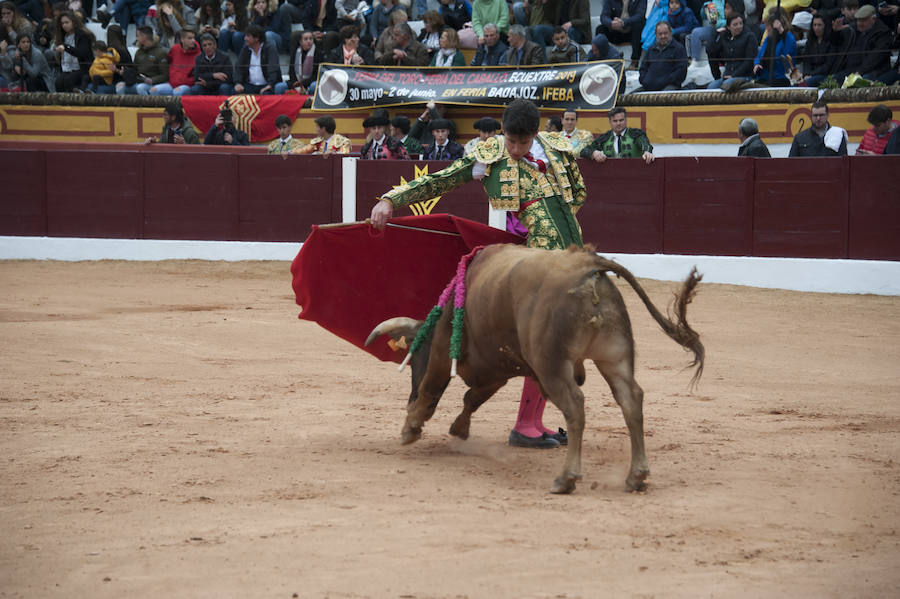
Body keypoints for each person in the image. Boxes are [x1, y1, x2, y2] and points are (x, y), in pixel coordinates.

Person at [370, 98, 588, 449]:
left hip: (573, 254)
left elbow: (578, 193)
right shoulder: (488, 156)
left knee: (563, 336)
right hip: (536, 263)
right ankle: (524, 425)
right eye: (511, 141)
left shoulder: (558, 148)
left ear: (536, 134)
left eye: (523, 143)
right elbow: (438, 181)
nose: (515, 150)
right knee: (548, 337)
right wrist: (390, 199)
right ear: (502, 132)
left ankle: (532, 421)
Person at [832, 4, 893, 83]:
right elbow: (836, 43)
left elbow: (874, 58)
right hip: (853, 69)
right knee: (832, 80)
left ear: (873, 19)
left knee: (861, 81)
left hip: (875, 70)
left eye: (863, 20)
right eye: (858, 20)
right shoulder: (854, 29)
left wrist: (859, 72)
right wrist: (836, 32)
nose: (859, 23)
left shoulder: (883, 33)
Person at [581, 107, 655, 164]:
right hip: (611, 176)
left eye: (621, 120)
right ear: (610, 122)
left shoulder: (636, 134)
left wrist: (647, 152)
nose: (618, 123)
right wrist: (593, 153)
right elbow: (584, 151)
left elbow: (646, 145)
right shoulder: (604, 138)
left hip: (634, 174)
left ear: (626, 120)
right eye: (615, 121)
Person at [706, 12, 756, 88]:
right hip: (727, 76)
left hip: (744, 76)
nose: (739, 26)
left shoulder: (749, 37)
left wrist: (733, 75)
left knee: (727, 84)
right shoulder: (725, 38)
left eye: (741, 23)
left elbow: (749, 61)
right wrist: (715, 33)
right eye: (735, 25)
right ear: (728, 27)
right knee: (711, 86)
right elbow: (711, 51)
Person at [234, 24, 287, 94]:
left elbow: (273, 68)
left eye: (248, 36)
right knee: (233, 92)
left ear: (256, 38)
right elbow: (239, 67)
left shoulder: (270, 48)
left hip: (267, 85)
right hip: (249, 85)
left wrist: (270, 84)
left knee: (267, 95)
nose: (245, 38)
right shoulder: (245, 49)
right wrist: (238, 83)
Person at [638, 21, 688, 91]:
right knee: (630, 98)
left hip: (669, 87)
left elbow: (681, 72)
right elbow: (643, 68)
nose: (663, 36)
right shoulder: (651, 49)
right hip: (648, 86)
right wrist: (644, 80)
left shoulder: (679, 49)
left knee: (661, 100)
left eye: (665, 33)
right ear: (656, 34)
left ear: (670, 33)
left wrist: (664, 81)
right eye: (660, 34)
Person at [118, 24, 167, 95]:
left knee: (140, 88)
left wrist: (152, 80)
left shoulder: (160, 52)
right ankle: (123, 105)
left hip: (154, 83)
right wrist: (126, 72)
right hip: (139, 81)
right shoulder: (139, 52)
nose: (137, 39)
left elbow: (165, 75)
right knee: (120, 86)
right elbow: (135, 69)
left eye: (138, 36)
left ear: (144, 36)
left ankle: (148, 105)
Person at [598, 0, 647, 70]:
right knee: (600, 29)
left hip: (631, 31)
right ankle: (601, 59)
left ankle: (634, 61)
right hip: (615, 30)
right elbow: (604, 16)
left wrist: (624, 22)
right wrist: (611, 23)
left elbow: (640, 15)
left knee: (639, 26)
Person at [150, 27, 199, 95]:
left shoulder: (198, 54)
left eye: (194, 38)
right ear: (182, 39)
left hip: (187, 85)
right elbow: (169, 63)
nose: (193, 40)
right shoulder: (174, 49)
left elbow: (196, 76)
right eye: (190, 38)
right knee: (153, 90)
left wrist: (183, 82)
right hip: (172, 84)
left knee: (177, 92)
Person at [752, 12, 796, 86]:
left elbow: (787, 56)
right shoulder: (768, 39)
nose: (766, 29)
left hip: (782, 77)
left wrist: (781, 31)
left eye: (768, 27)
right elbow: (759, 55)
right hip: (765, 76)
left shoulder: (788, 37)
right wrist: (757, 64)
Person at [53, 11, 92, 92]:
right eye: (62, 23)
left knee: (69, 80)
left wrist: (66, 47)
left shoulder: (82, 35)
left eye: (67, 22)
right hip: (66, 69)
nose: (64, 25)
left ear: (73, 22)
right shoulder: (62, 36)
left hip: (81, 69)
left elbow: (82, 53)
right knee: (58, 82)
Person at [797, 14, 836, 87]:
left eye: (819, 25)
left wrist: (811, 74)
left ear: (825, 26)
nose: (816, 28)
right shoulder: (810, 41)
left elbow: (828, 65)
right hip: (810, 74)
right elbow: (807, 61)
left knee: (804, 84)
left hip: (823, 74)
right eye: (814, 25)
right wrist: (807, 74)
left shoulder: (831, 41)